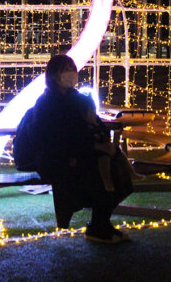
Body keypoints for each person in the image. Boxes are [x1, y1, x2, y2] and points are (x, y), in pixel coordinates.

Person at [28, 54, 134, 243]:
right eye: (65, 69)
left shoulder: (77, 98)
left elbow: (94, 124)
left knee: (119, 172)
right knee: (101, 175)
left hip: (84, 152)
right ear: (53, 75)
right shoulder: (47, 102)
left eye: (72, 68)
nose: (71, 73)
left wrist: (104, 145)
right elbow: (53, 137)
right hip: (60, 158)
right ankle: (98, 226)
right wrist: (91, 147)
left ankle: (100, 223)